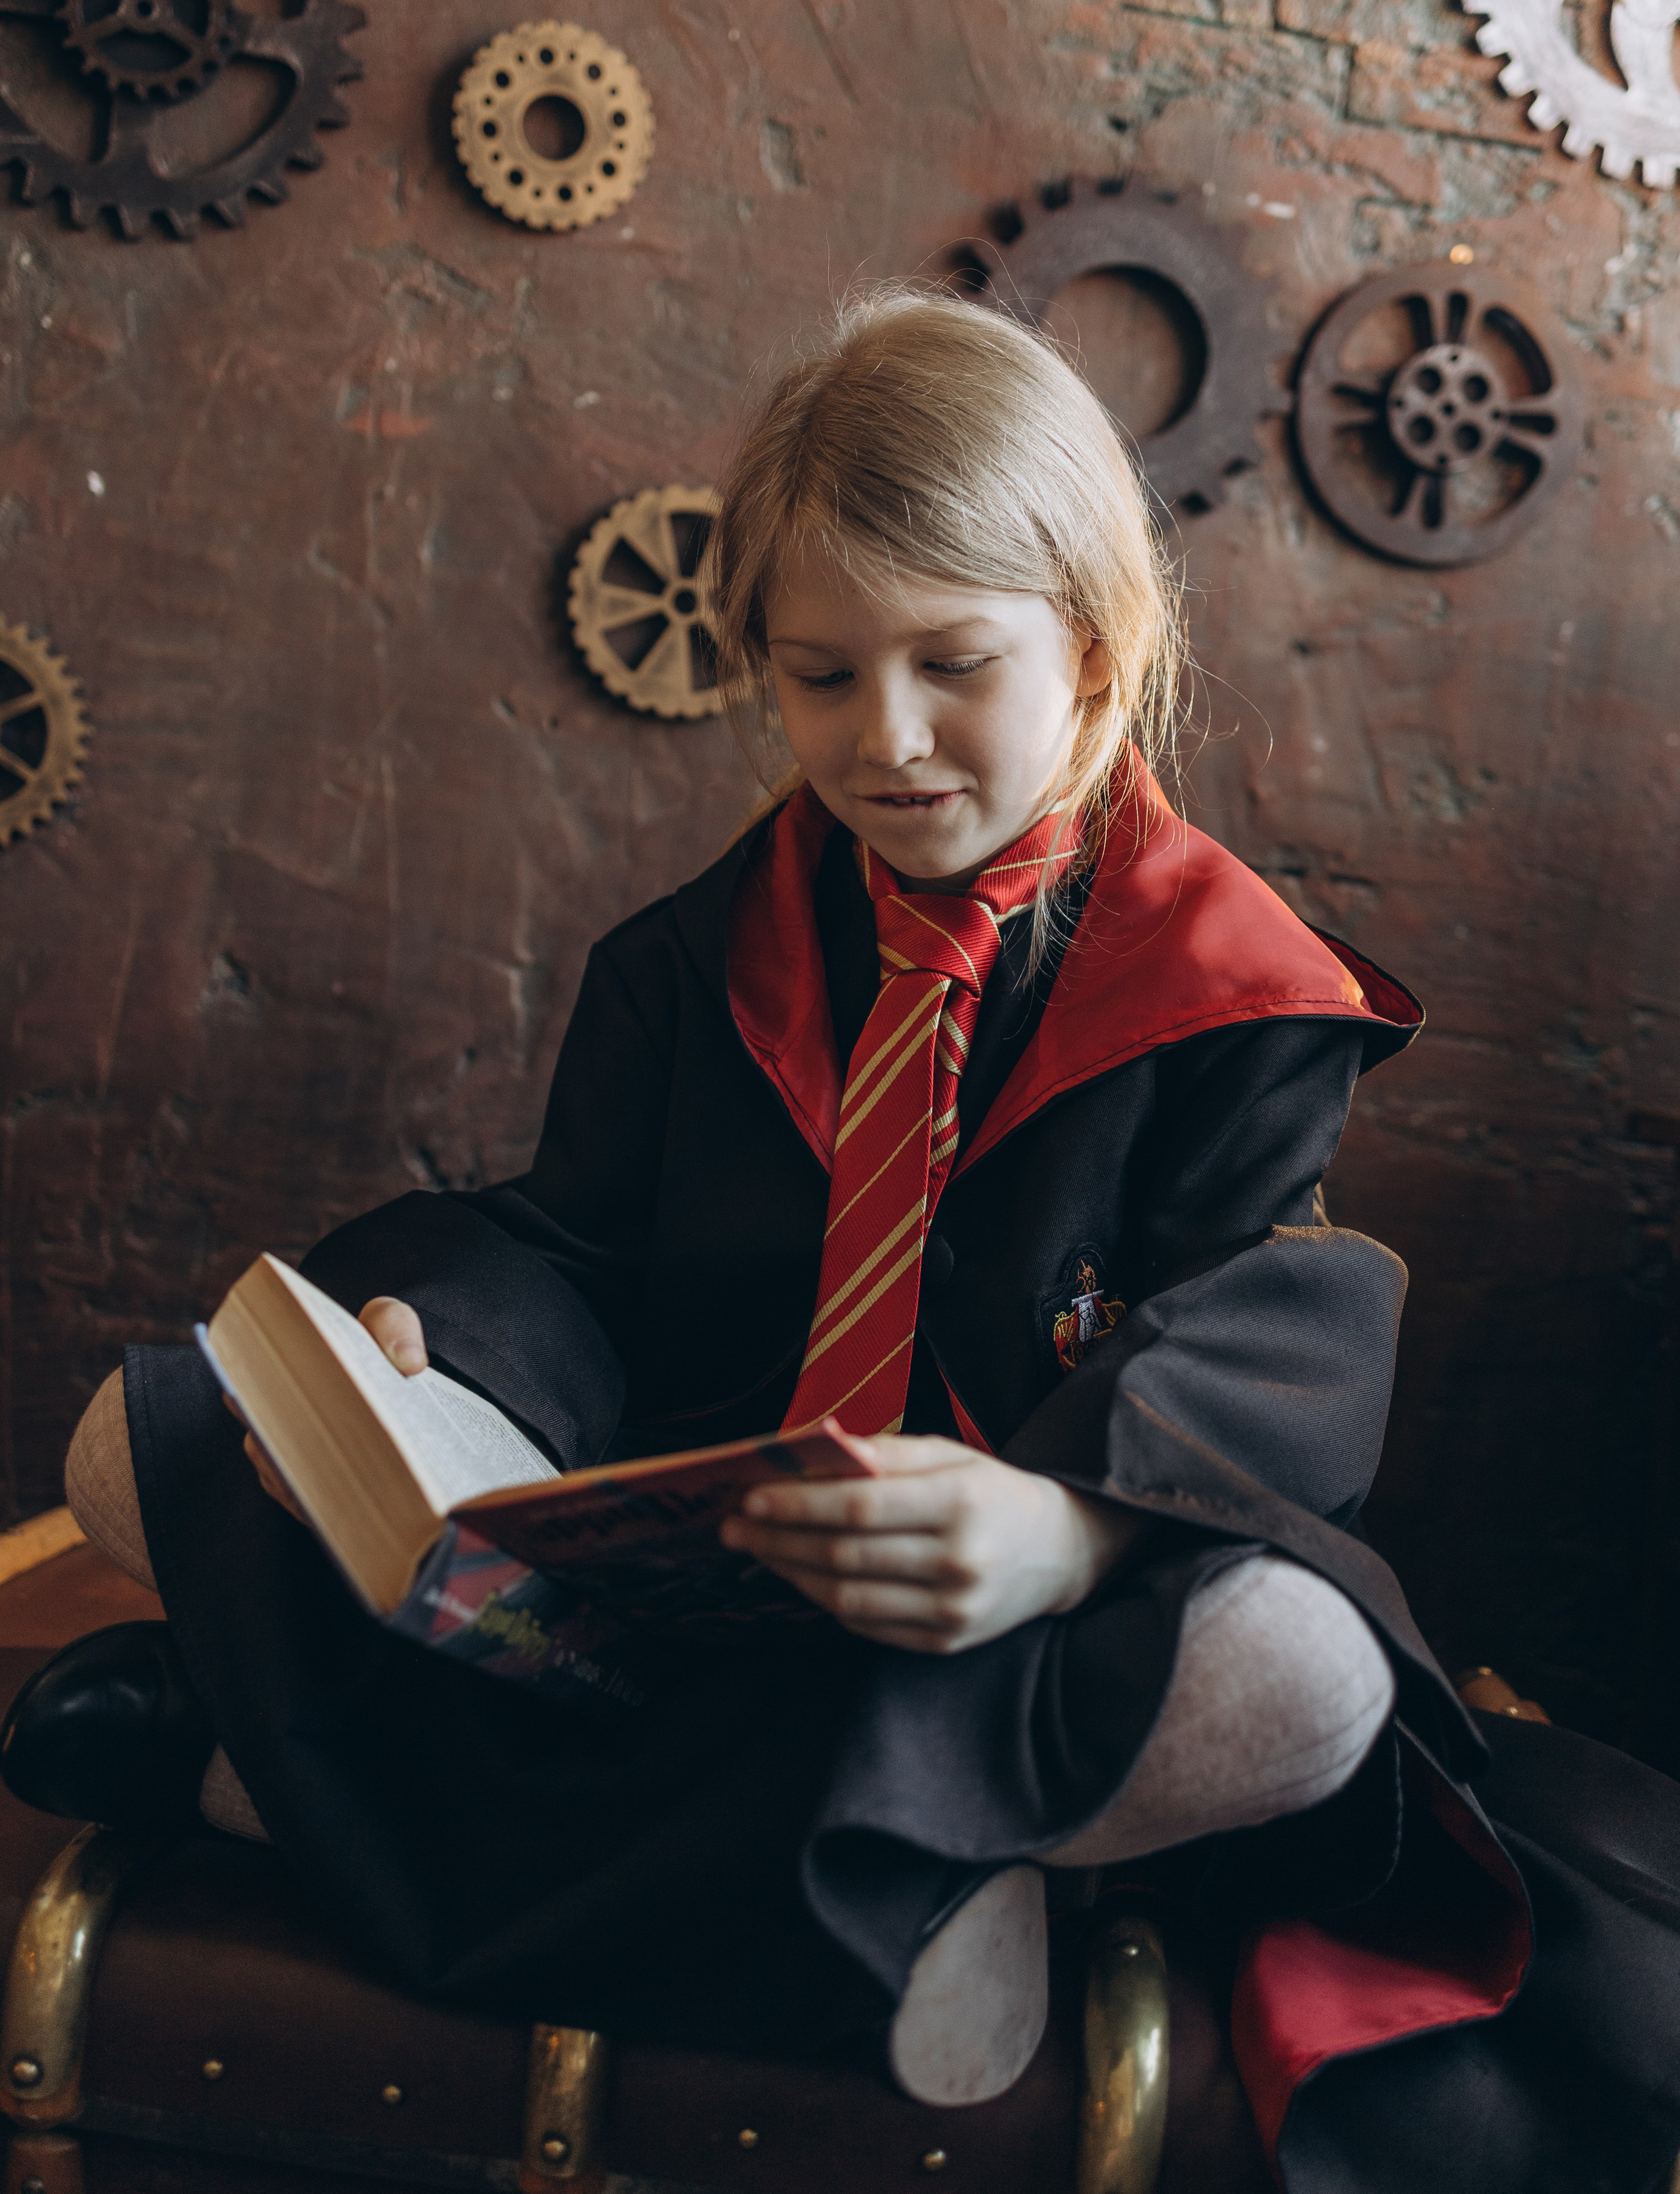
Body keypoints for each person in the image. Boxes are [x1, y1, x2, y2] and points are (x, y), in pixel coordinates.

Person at [21, 291, 1680, 2188]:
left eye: (953, 663)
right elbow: (572, 1248)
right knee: (139, 1446)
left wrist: (1064, 1529)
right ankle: (925, 1882)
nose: (886, 740)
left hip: (988, 1641)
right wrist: (438, 1352)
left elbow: (1268, 1330)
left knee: (1294, 1670)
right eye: (820, 677)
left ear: (1094, 643)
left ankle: (265, 1778)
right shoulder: (691, 961)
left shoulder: (1236, 1000)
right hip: (674, 1608)